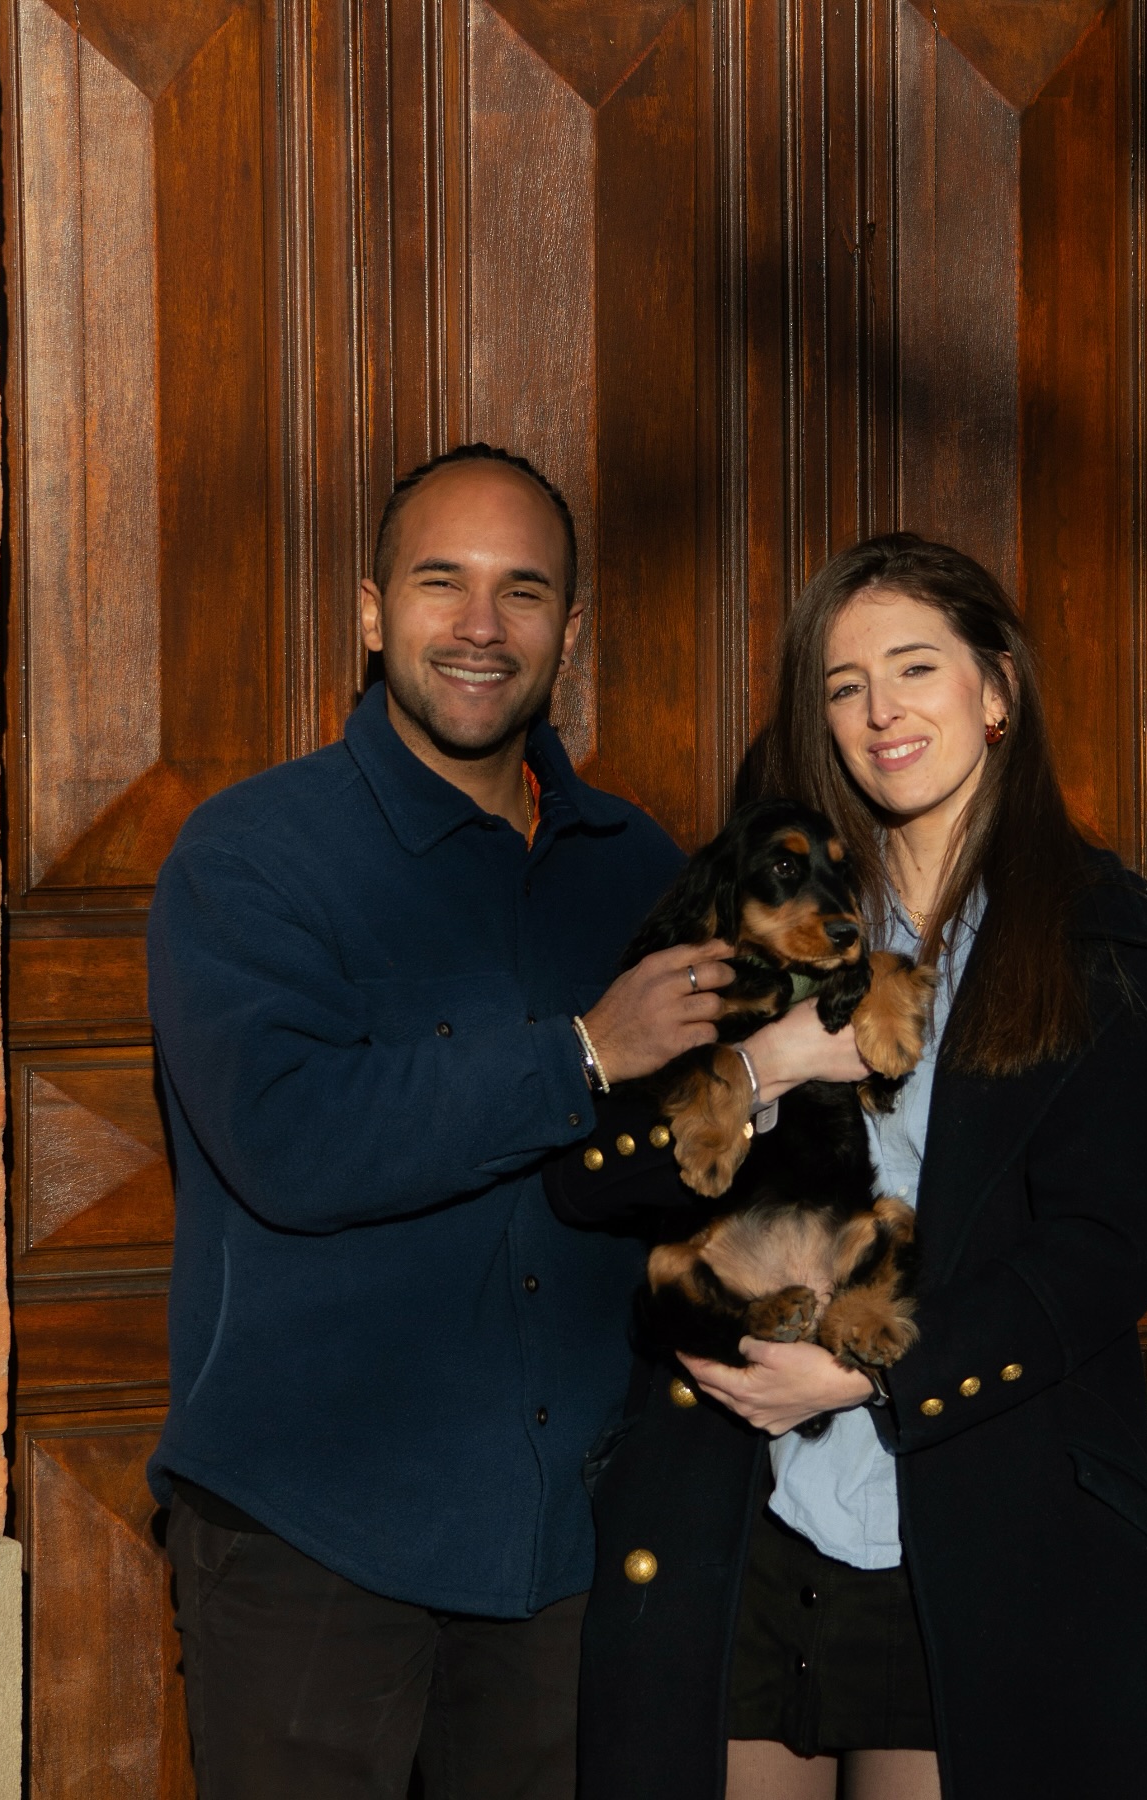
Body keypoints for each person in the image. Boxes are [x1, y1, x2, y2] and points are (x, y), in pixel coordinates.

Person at [547, 534, 1147, 1800]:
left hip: (966, 1510)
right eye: (845, 685)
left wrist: (865, 1367)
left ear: (996, 691)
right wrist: (761, 1068)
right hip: (744, 1513)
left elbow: (1105, 1249)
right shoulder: (759, 912)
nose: (881, 712)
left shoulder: (1099, 928)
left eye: (914, 668)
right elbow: (593, 1179)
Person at [146, 442, 737, 1799]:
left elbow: (684, 1170)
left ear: (568, 633)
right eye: (441, 582)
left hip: (564, 1546)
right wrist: (587, 1050)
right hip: (312, 1536)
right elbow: (294, 1140)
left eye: (523, 591)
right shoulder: (250, 856)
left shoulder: (634, 869)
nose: (482, 626)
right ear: (371, 612)